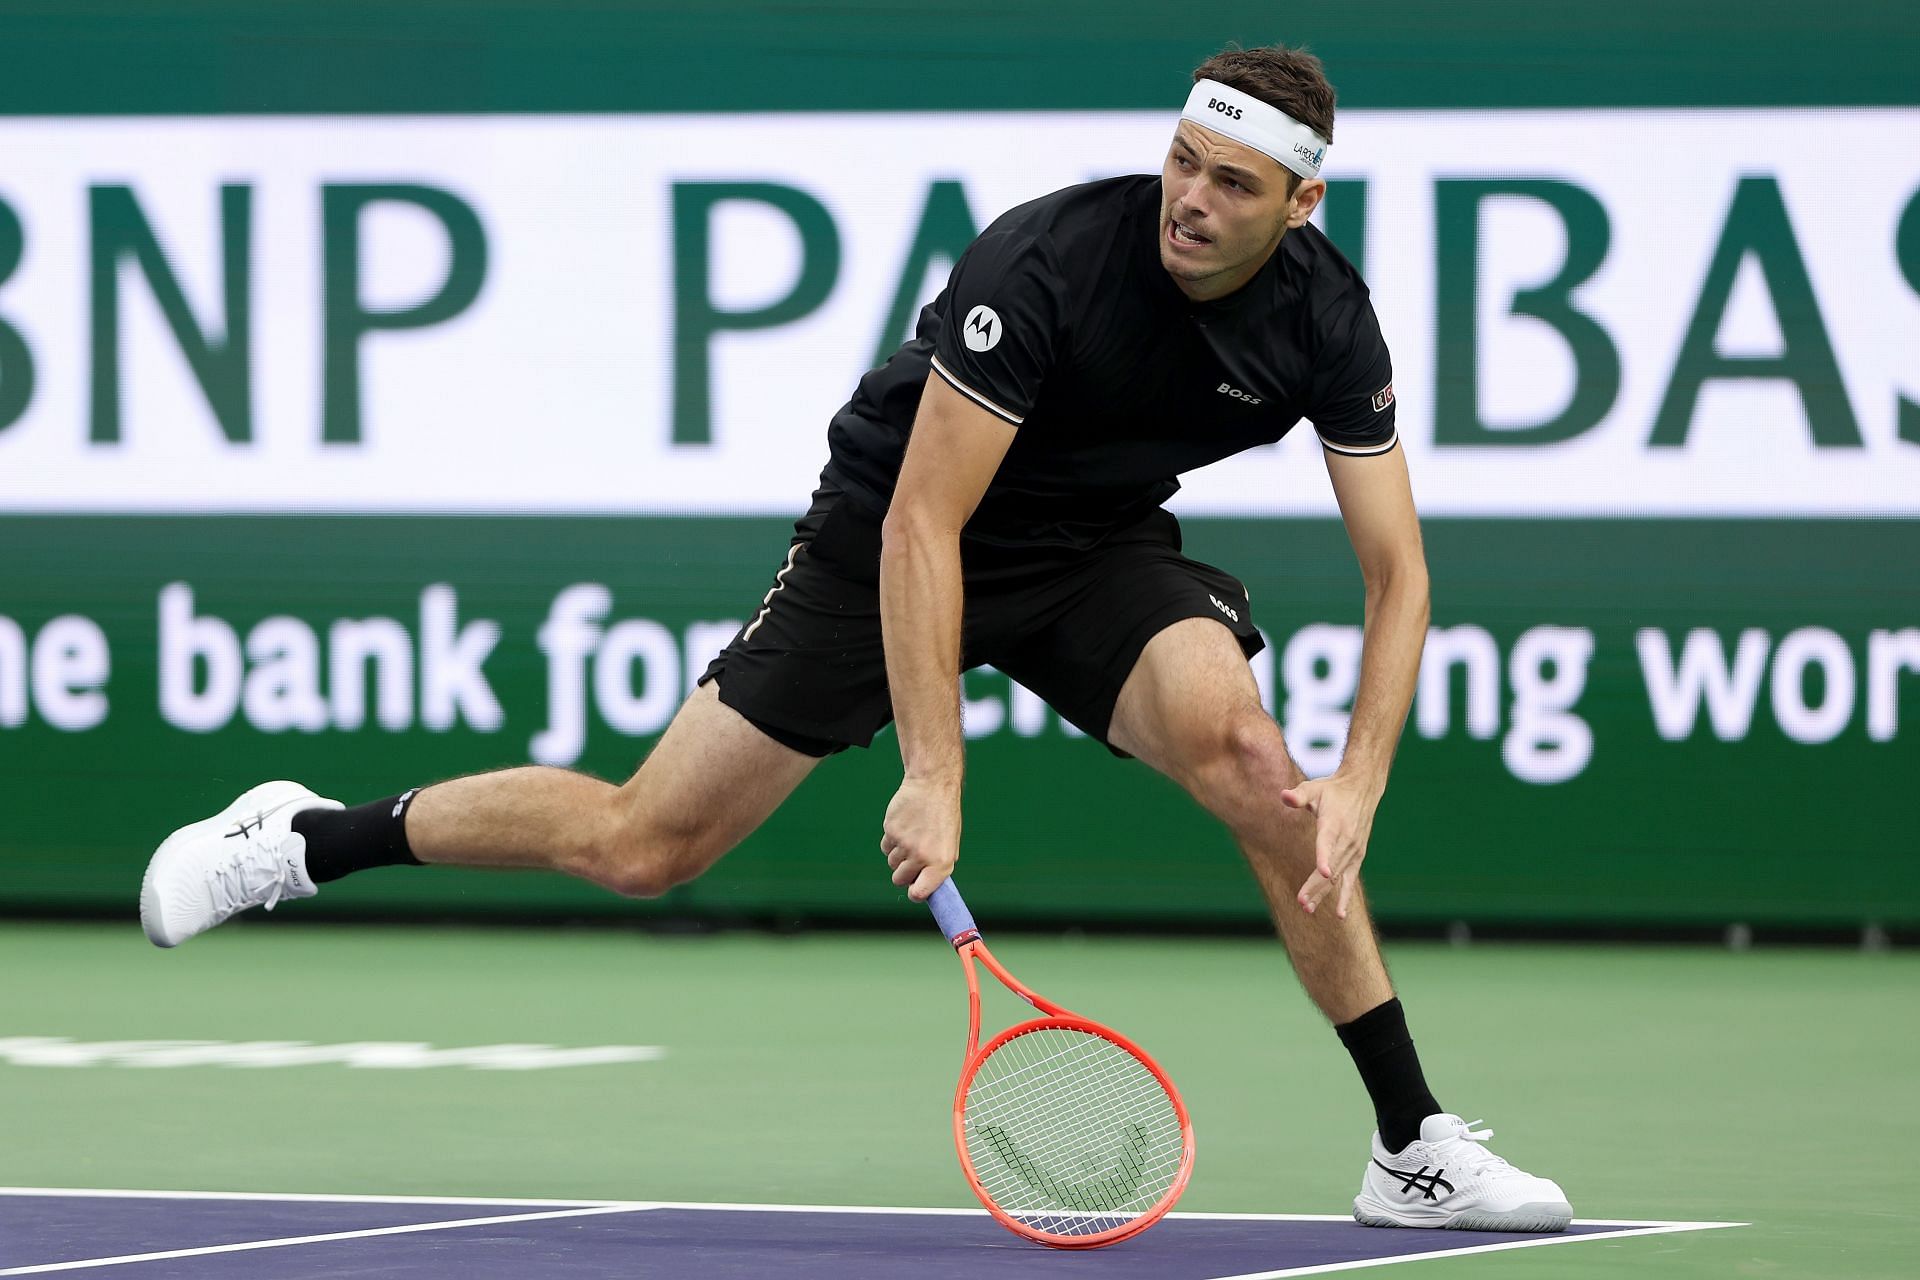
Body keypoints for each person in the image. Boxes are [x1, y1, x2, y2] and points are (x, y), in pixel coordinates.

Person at [140, 45, 1571, 1233]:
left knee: (1269, 778)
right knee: (645, 845)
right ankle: (310, 838)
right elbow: (921, 532)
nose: (1189, 198)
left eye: (1233, 182)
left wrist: (1361, 783)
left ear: (1301, 203)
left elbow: (1400, 576)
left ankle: (1410, 1145)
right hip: (893, 531)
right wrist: (933, 770)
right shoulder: (1050, 263)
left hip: (1094, 555)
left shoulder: (1328, 320)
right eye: (1183, 158)